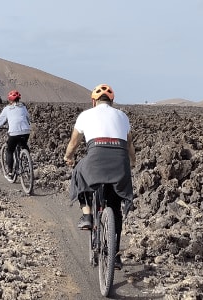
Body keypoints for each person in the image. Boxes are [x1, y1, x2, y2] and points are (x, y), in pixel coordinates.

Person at [63, 83, 136, 269]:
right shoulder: (122, 116)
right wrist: (132, 162)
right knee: (115, 207)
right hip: (119, 163)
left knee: (80, 172)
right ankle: (116, 255)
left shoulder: (85, 115)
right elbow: (129, 146)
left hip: (96, 158)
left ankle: (87, 215)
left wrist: (68, 156)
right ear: (112, 101)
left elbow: (74, 142)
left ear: (94, 101)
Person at [0, 90, 31, 180]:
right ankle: (28, 164)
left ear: (10, 100)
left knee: (9, 150)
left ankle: (9, 173)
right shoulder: (23, 107)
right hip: (26, 131)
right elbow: (28, 117)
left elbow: (0, 121)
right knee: (24, 145)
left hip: (13, 133)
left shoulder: (7, 109)